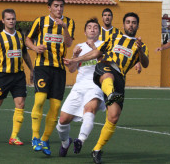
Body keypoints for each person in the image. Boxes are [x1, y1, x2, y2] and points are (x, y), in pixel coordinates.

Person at [64, 12, 149, 164]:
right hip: (106, 67)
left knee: (113, 117)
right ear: (123, 25)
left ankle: (96, 149)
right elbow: (97, 52)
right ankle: (111, 95)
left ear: (137, 25)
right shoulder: (114, 38)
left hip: (120, 78)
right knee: (108, 76)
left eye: (134, 22)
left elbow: (146, 63)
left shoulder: (140, 45)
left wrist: (141, 50)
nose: (131, 25)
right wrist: (76, 59)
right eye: (128, 22)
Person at [25, 0, 75, 156]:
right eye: (56, 6)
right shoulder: (40, 21)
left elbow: (68, 44)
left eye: (61, 6)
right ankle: (35, 137)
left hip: (59, 69)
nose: (59, 9)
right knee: (39, 100)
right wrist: (34, 48)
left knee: (55, 107)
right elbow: (27, 39)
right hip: (42, 67)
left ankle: (45, 140)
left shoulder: (69, 22)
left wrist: (65, 27)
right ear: (49, 7)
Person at [0, 9, 33, 145]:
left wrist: (32, 70)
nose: (11, 21)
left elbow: (25, 54)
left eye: (13, 19)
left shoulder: (20, 36)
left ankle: (14, 136)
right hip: (3, 76)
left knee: (20, 104)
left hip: (19, 76)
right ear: (3, 21)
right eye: (8, 19)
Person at [56, 18, 106, 157]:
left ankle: (80, 140)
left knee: (89, 110)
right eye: (89, 27)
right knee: (62, 120)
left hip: (96, 85)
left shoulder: (104, 45)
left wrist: (94, 49)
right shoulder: (79, 46)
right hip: (79, 86)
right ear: (85, 31)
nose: (92, 29)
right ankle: (66, 143)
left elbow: (104, 63)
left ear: (99, 31)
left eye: (95, 27)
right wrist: (75, 55)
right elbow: (72, 69)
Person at [100, 8, 142, 73]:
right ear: (102, 18)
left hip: (112, 65)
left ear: (112, 18)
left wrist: (137, 61)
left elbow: (126, 47)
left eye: (109, 15)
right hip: (97, 61)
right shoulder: (96, 31)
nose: (107, 17)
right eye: (105, 15)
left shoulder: (118, 33)